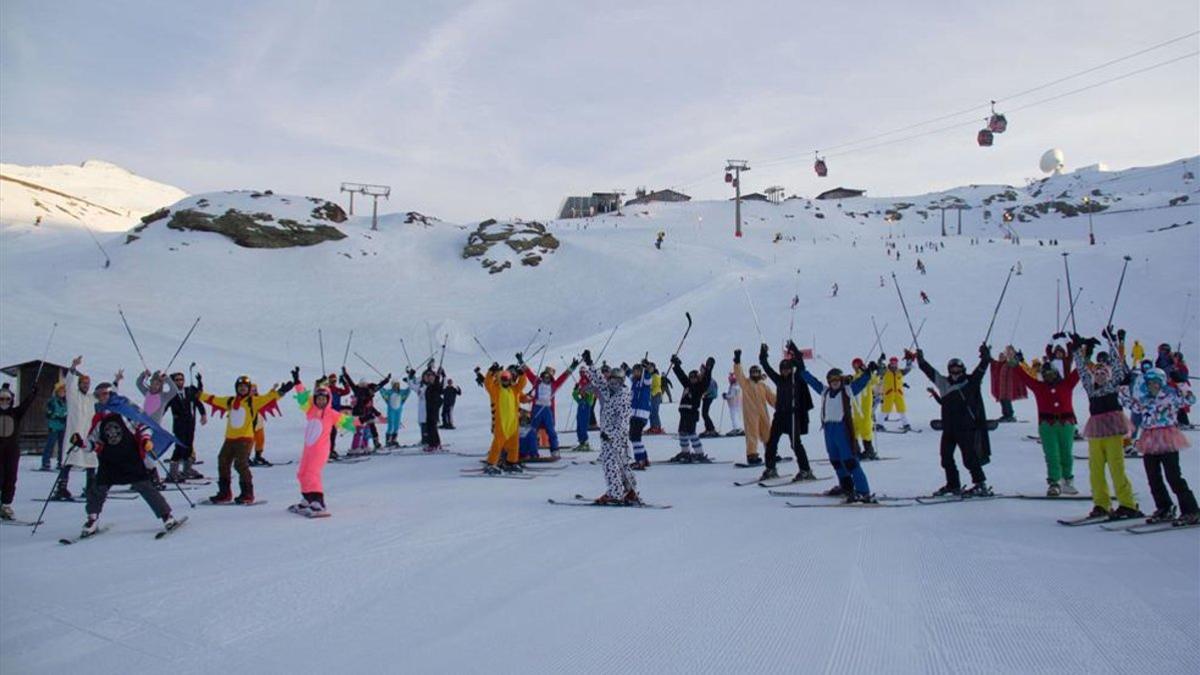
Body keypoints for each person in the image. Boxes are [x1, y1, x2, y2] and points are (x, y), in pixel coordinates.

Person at [80, 384, 181, 537]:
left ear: (112, 394)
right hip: (109, 460)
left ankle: (167, 516)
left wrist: (146, 439)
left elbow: (143, 426)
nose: (101, 398)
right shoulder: (99, 417)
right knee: (98, 489)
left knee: (145, 487)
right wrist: (82, 444)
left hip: (129, 458)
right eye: (98, 395)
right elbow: (94, 442)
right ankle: (92, 519)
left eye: (104, 394)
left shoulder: (126, 411)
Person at [1074, 329, 1141, 520]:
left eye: (1104, 374)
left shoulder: (1112, 386)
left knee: (1116, 467)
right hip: (1096, 432)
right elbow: (1081, 369)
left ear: (1109, 376)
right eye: (1098, 373)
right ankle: (1101, 504)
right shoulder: (1090, 388)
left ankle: (1127, 503)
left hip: (1112, 430)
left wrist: (1112, 341)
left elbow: (1118, 366)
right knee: (1095, 469)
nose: (1100, 376)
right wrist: (1078, 350)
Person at [199, 374, 293, 504]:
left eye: (245, 387)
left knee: (240, 464)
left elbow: (269, 398)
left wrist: (282, 391)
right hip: (230, 439)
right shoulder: (230, 401)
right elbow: (214, 400)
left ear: (248, 388)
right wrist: (199, 394)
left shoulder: (253, 401)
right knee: (223, 461)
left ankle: (247, 493)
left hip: (245, 439)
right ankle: (225, 493)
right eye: (240, 387)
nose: (242, 389)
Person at [1121, 368, 1198, 524]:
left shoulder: (1170, 396)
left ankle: (1191, 510)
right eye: (1150, 383)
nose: (1153, 386)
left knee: (1173, 476)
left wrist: (1181, 383)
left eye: (1156, 383)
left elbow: (1190, 400)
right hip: (1149, 439)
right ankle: (1164, 507)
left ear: (1161, 383)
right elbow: (1127, 403)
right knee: (1153, 476)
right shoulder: (1144, 399)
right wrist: (1124, 385)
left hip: (1167, 438)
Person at [917, 345, 993, 497]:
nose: (955, 372)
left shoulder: (971, 382)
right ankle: (953, 484)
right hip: (949, 428)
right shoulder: (943, 383)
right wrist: (920, 360)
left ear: (963, 369)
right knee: (945, 458)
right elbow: (929, 371)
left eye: (958, 369)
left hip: (966, 428)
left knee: (969, 458)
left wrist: (985, 356)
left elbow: (982, 367)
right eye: (952, 369)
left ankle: (980, 484)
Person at [800, 361, 876, 502]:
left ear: (841, 380)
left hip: (842, 429)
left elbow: (860, 383)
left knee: (850, 461)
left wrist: (868, 373)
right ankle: (846, 487)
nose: (835, 382)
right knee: (836, 461)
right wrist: (801, 369)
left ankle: (863, 491)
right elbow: (813, 382)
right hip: (829, 430)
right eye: (832, 380)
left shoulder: (847, 391)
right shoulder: (825, 391)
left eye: (837, 379)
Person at [1014, 342, 1081, 497]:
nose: (1049, 377)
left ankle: (1067, 480)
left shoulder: (1067, 384)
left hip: (1066, 424)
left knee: (1066, 453)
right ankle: (1054, 482)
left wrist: (1083, 354)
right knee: (1051, 454)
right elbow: (1024, 377)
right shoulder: (1039, 387)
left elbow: (1079, 372)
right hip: (1047, 425)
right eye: (1046, 375)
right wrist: (1015, 363)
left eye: (1051, 373)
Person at [289, 369, 356, 516]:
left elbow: (348, 421)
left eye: (324, 399)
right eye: (318, 398)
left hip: (320, 450)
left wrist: (363, 419)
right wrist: (297, 382)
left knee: (312, 473)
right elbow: (302, 397)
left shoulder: (331, 414)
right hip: (308, 449)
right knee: (302, 473)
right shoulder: (310, 410)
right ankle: (307, 498)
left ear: (328, 399)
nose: (321, 401)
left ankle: (318, 501)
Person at [580, 352, 640, 504]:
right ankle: (630, 489)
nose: (613, 384)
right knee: (621, 463)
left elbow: (623, 421)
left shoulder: (623, 396)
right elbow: (598, 378)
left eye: (617, 381)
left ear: (621, 382)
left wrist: (612, 434)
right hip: (607, 434)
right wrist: (590, 364)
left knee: (610, 463)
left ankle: (615, 493)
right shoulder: (607, 390)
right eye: (611, 380)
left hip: (616, 437)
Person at [758, 342, 817, 482]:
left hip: (792, 415)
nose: (784, 371)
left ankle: (805, 470)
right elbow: (766, 368)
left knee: (795, 444)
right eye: (783, 369)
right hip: (779, 416)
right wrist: (763, 355)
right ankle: (770, 468)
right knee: (771, 442)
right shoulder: (779, 380)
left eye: (787, 369)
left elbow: (801, 365)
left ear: (791, 369)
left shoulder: (796, 379)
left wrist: (794, 349)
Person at [58, 356, 114, 501]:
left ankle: (90, 488)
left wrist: (115, 382)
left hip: (87, 435)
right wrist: (73, 367)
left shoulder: (91, 398)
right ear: (79, 384)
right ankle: (62, 488)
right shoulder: (73, 395)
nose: (86, 385)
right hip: (74, 433)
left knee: (91, 461)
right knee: (68, 460)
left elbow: (105, 396)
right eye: (83, 383)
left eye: (88, 383)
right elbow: (69, 382)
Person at [519, 354, 575, 458]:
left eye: (548, 377)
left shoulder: (554, 385)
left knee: (551, 431)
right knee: (532, 431)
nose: (546, 378)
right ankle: (530, 451)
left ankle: (554, 450)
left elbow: (564, 377)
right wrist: (521, 361)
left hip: (547, 410)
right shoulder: (537, 382)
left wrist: (572, 366)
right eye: (544, 376)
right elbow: (528, 372)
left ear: (551, 377)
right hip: (537, 410)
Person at [0, 384, 38, 520]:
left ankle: (6, 505)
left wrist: (33, 393)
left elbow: (26, 405)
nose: (4, 402)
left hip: (12, 450)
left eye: (7, 399)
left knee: (11, 477)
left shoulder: (15, 413)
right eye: (1, 399)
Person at [668, 354, 715, 462]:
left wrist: (708, 369)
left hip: (692, 413)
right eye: (691, 377)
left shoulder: (700, 387)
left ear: (698, 378)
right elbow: (681, 376)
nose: (692, 379)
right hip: (683, 412)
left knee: (691, 433)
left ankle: (699, 453)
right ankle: (685, 452)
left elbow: (706, 380)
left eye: (694, 377)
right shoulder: (687, 385)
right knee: (682, 432)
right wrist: (676, 364)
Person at [481, 364, 526, 474]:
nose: (505, 381)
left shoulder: (514, 390)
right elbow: (488, 384)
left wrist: (522, 374)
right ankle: (491, 464)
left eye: (507, 379)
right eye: (503, 379)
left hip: (513, 423)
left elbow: (522, 384)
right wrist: (491, 372)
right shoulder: (497, 390)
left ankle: (511, 462)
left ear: (510, 380)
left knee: (514, 444)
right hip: (501, 423)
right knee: (497, 444)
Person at [732, 349, 774, 468]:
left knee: (767, 432)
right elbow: (739, 375)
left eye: (757, 372)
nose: (755, 374)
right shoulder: (746, 384)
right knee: (752, 434)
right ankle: (752, 455)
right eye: (753, 372)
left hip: (763, 413)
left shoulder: (763, 385)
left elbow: (772, 398)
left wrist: (782, 404)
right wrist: (737, 361)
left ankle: (770, 452)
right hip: (751, 414)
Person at [165, 371, 207, 482]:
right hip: (179, 425)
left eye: (181, 379)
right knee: (179, 447)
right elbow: (163, 408)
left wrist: (203, 414)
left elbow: (198, 402)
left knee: (189, 446)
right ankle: (172, 473)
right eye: (177, 380)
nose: (180, 382)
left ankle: (187, 469)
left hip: (190, 423)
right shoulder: (171, 395)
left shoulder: (189, 391)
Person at [340, 367, 390, 453]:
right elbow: (350, 382)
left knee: (370, 429)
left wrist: (386, 380)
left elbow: (379, 386)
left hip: (368, 414)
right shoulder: (357, 389)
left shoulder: (370, 390)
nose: (363, 385)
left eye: (364, 384)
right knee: (359, 431)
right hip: (359, 413)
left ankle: (372, 444)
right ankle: (355, 448)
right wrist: (345, 374)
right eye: (362, 384)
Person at [849, 357, 882, 461]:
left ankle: (868, 450)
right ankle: (857, 451)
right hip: (856, 409)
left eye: (857, 365)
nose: (856, 368)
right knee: (854, 429)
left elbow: (875, 380)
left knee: (865, 428)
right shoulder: (854, 377)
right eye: (854, 366)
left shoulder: (867, 377)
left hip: (865, 408)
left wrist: (874, 371)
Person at [989, 346, 1029, 422]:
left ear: (1005, 357)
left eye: (1002, 356)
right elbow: (990, 360)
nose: (1001, 358)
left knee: (1006, 401)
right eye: (1000, 356)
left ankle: (1009, 415)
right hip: (1000, 388)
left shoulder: (1008, 364)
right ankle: (1005, 415)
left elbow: (1015, 362)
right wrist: (988, 352)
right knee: (1002, 401)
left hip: (1008, 388)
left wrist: (1016, 356)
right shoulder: (997, 364)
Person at [627, 360, 653, 468]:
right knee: (635, 437)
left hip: (641, 414)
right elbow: (629, 377)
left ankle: (640, 460)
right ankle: (644, 458)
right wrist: (626, 369)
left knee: (635, 437)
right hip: (634, 414)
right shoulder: (635, 382)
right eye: (633, 372)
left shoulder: (644, 382)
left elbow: (647, 380)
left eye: (636, 371)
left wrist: (646, 370)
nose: (634, 373)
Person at [880, 355, 913, 430]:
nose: (894, 364)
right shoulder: (885, 371)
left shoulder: (900, 371)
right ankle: (879, 424)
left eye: (895, 363)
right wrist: (880, 361)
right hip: (889, 393)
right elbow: (879, 369)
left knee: (902, 409)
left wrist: (909, 362)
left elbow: (908, 369)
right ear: (890, 363)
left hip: (898, 393)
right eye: (892, 363)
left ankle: (906, 424)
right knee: (886, 409)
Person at [41, 382, 67, 471]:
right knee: (50, 444)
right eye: (61, 391)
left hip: (63, 427)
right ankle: (46, 462)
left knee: (62, 446)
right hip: (54, 426)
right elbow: (48, 413)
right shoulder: (52, 401)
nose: (62, 392)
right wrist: (57, 416)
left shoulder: (66, 401)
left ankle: (60, 462)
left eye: (64, 391)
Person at [380, 380, 411, 447]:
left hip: (398, 411)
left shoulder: (401, 392)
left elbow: (408, 391)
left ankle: (394, 440)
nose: (396, 386)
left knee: (396, 425)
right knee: (391, 425)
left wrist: (409, 383)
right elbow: (383, 392)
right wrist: (381, 384)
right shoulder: (389, 392)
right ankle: (388, 440)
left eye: (397, 384)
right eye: (395, 385)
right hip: (391, 411)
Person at [572, 376, 595, 451]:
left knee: (583, 429)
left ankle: (585, 443)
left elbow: (591, 395)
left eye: (584, 393)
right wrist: (576, 389)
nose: (582, 394)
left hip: (584, 419)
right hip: (579, 418)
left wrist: (587, 390)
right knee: (578, 429)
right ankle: (581, 442)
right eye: (581, 393)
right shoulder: (580, 401)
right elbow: (574, 395)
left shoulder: (589, 401)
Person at [723, 370, 743, 436]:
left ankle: (737, 428)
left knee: (734, 416)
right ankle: (738, 428)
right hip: (737, 404)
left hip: (734, 404)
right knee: (737, 416)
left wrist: (726, 396)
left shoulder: (735, 386)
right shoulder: (736, 386)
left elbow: (731, 395)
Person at [647, 364, 665, 434]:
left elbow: (657, 386)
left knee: (654, 411)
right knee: (651, 412)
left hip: (656, 394)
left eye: (651, 368)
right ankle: (653, 426)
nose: (649, 369)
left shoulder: (656, 376)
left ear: (654, 368)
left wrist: (652, 394)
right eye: (648, 368)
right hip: (652, 395)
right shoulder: (650, 376)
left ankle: (657, 427)